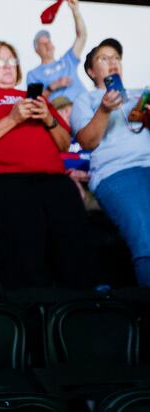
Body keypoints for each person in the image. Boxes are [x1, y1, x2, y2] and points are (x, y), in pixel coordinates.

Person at [0, 41, 90, 290]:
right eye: (0, 61)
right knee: (27, 254)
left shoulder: (37, 98)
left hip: (54, 180)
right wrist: (12, 118)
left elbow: (62, 144)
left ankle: (77, 314)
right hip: (6, 180)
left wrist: (48, 119)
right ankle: (36, 315)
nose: (8, 66)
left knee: (74, 249)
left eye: (12, 60)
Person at [72, 38, 150, 286]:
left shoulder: (141, 94)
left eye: (116, 57)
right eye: (103, 59)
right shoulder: (87, 100)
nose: (112, 62)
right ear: (92, 71)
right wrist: (104, 110)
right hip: (118, 173)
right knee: (145, 238)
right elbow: (87, 141)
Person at [27, 0, 88, 103]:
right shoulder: (34, 74)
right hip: (61, 113)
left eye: (48, 41)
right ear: (37, 50)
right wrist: (53, 86)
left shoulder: (68, 60)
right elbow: (34, 101)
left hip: (85, 105)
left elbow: (81, 36)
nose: (47, 45)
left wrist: (75, 11)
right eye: (43, 43)